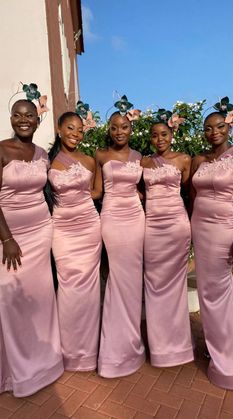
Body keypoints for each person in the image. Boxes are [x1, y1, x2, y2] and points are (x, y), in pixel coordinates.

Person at [0, 99, 63, 397]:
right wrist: (7, 239)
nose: (24, 120)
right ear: (11, 118)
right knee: (10, 299)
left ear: (38, 121)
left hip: (41, 232)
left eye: (30, 116)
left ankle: (45, 362)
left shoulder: (42, 155)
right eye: (18, 115)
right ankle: (17, 371)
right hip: (9, 236)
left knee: (40, 298)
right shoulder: (0, 150)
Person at [48, 111, 102, 371]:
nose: (76, 134)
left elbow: (96, 191)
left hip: (89, 227)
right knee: (68, 287)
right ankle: (67, 351)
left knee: (90, 291)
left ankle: (88, 353)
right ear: (59, 129)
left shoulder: (90, 161)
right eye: (70, 128)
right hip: (61, 230)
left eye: (80, 130)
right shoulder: (47, 161)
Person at [96, 96, 145, 377]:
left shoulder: (140, 157)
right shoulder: (100, 156)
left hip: (136, 219)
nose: (119, 132)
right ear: (109, 130)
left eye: (124, 127)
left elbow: (146, 187)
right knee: (117, 278)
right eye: (114, 127)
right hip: (112, 219)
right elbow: (96, 191)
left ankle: (132, 343)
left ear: (130, 130)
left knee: (132, 280)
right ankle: (115, 350)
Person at [141, 110, 194, 367]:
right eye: (154, 135)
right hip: (152, 228)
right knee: (154, 284)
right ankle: (160, 347)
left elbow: (189, 193)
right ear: (150, 139)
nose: (159, 138)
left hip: (176, 227)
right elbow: (137, 192)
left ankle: (179, 346)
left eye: (164, 134)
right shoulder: (143, 162)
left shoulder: (185, 160)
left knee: (175, 286)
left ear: (172, 135)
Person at [191, 98, 233, 389]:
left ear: (228, 127)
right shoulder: (201, 159)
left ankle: (229, 354)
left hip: (224, 229)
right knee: (207, 290)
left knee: (220, 289)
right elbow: (193, 197)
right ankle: (215, 342)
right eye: (208, 128)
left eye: (219, 126)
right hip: (200, 228)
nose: (213, 132)